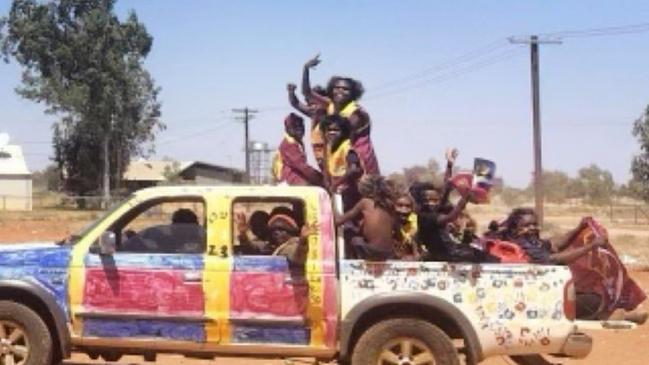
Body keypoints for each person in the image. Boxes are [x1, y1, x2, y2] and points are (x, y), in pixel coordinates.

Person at [301, 54, 380, 175]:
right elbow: (307, 92)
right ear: (331, 89)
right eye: (337, 88)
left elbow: (342, 134)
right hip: (338, 157)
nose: (340, 91)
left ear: (353, 93)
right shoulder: (330, 104)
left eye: (345, 89)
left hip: (358, 161)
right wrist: (306, 69)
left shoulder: (358, 114)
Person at [501, 208, 607, 265]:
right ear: (515, 228)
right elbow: (554, 259)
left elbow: (554, 244)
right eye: (527, 225)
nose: (533, 228)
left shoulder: (531, 241)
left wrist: (578, 228)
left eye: (534, 224)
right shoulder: (522, 244)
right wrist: (591, 246)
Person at [335, 175, 396, 261]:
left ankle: (351, 259)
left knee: (350, 233)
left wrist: (330, 222)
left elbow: (342, 220)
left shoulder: (365, 202)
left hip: (372, 251)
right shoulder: (388, 204)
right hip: (388, 252)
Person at [235, 212, 315, 268]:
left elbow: (297, 257)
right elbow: (252, 248)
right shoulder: (275, 245)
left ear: (290, 232)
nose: (276, 232)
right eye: (274, 230)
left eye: (281, 230)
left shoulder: (291, 245)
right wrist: (243, 234)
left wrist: (302, 241)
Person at [322, 115, 364, 210]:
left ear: (343, 131)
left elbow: (353, 168)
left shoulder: (346, 146)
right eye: (329, 130)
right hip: (337, 189)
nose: (332, 133)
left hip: (347, 190)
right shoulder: (330, 147)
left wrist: (335, 184)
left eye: (336, 130)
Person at [272, 113, 323, 186]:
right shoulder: (289, 144)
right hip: (290, 182)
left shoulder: (296, 142)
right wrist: (321, 179)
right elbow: (303, 167)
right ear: (287, 129)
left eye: (301, 126)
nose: (299, 130)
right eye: (295, 127)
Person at [287, 83, 327, 169]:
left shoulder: (331, 116)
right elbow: (296, 104)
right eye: (309, 103)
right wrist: (291, 92)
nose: (311, 107)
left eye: (314, 104)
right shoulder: (314, 114)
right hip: (319, 156)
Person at [394, 194, 420, 260]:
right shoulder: (388, 223)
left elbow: (416, 251)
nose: (404, 209)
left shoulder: (415, 223)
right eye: (400, 205)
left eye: (408, 206)